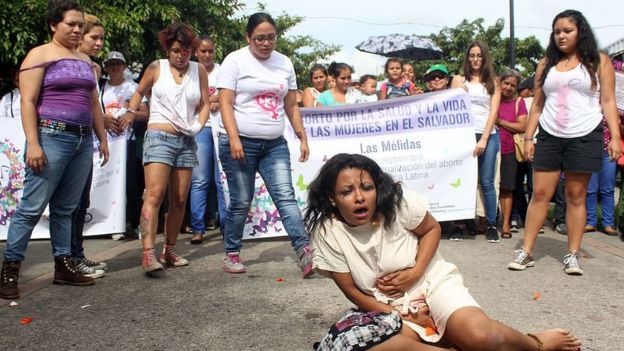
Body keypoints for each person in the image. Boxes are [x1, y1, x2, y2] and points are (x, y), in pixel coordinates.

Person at [306, 153, 582, 351]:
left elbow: (431, 230)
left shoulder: (398, 203)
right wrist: (396, 314)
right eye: (347, 191)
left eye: (367, 188)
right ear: (332, 197)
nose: (359, 197)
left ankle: (535, 343)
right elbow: (352, 291)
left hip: (431, 283)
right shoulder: (327, 231)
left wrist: (415, 271)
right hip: (383, 308)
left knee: (482, 337)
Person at [0, 0, 109, 300]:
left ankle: (64, 266)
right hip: (51, 136)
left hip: (81, 140)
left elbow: (93, 103)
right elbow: (27, 101)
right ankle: (10, 269)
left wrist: (101, 138)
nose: (77, 30)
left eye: (80, 25)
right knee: (31, 208)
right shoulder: (39, 54)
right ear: (53, 25)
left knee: (66, 208)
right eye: (70, 24)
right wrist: (33, 143)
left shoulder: (85, 61)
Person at [509, 10, 622, 275]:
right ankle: (526, 251)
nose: (561, 35)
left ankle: (572, 254)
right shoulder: (546, 62)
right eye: (557, 31)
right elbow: (537, 103)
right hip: (549, 134)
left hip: (585, 134)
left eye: (567, 30)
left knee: (576, 196)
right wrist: (528, 137)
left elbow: (607, 101)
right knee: (539, 194)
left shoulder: (599, 61)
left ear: (580, 31)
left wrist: (615, 137)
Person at [217, 12, 313, 278]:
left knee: (285, 196)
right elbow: (225, 103)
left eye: (271, 37)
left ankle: (305, 250)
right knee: (241, 200)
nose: (265, 43)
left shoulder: (284, 63)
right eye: (259, 38)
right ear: (248, 37)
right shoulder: (234, 61)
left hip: (274, 144)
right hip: (239, 142)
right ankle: (232, 253)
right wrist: (234, 138)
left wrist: (301, 134)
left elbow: (291, 104)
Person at [122, 23, 210, 275]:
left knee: (180, 198)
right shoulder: (155, 67)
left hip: (187, 139)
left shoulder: (199, 70)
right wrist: (130, 112)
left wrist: (198, 124)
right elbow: (139, 92)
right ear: (167, 49)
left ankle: (169, 249)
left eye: (185, 50)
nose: (181, 55)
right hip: (159, 136)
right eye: (175, 50)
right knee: (154, 194)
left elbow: (205, 103)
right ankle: (148, 253)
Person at [451, 40, 502, 243]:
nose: (475, 59)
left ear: (484, 58)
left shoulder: (493, 82)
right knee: (461, 182)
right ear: (467, 57)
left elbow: (494, 112)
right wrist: (457, 91)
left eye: (479, 55)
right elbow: (450, 106)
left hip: (487, 135)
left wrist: (484, 139)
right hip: (463, 135)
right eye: (472, 55)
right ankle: (458, 224)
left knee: (487, 181)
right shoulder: (458, 79)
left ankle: (490, 224)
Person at [70, 13, 107, 279]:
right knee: (67, 205)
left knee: (82, 202)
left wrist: (103, 133)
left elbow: (93, 106)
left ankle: (77, 255)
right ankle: (67, 259)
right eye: (93, 37)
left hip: (86, 140)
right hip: (61, 138)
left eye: (101, 38)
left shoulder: (93, 67)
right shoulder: (58, 61)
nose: (98, 43)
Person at [99, 51, 149, 240]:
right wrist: (105, 120)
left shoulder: (133, 87)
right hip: (106, 142)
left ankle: (135, 222)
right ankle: (113, 223)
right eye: (111, 64)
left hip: (128, 142)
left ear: (124, 66)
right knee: (108, 183)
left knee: (131, 184)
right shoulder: (101, 88)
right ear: (106, 67)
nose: (115, 67)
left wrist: (129, 116)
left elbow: (146, 114)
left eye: (118, 64)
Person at [189, 34, 222, 245]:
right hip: (200, 128)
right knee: (200, 180)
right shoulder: (190, 72)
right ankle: (198, 228)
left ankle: (228, 226)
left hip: (222, 129)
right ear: (196, 52)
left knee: (222, 181)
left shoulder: (223, 70)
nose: (207, 55)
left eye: (210, 51)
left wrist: (220, 98)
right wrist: (208, 100)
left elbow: (233, 94)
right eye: (203, 51)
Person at [495, 69, 527, 239]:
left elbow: (522, 126)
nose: (508, 87)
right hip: (490, 148)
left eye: (512, 85)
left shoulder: (519, 103)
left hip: (508, 150)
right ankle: (487, 221)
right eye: (506, 83)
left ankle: (505, 223)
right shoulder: (493, 98)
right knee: (488, 185)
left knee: (507, 188)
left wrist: (500, 122)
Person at [585, 118, 620, 236]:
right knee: (590, 189)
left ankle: (608, 224)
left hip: (608, 152)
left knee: (608, 189)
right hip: (589, 151)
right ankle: (590, 222)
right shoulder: (588, 106)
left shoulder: (613, 109)